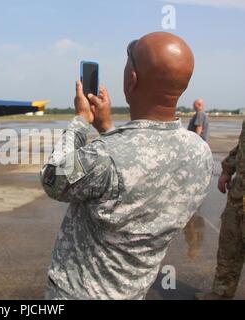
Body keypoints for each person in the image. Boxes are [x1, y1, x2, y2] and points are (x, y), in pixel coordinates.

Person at [40, 32, 213, 300]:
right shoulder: (200, 153)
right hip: (134, 291)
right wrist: (108, 129)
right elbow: (139, 164)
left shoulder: (107, 157)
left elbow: (54, 178)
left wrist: (80, 121)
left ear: (131, 79)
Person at [196, 120, 244, 300]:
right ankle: (221, 293)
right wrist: (228, 169)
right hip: (239, 197)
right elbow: (242, 145)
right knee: (229, 246)